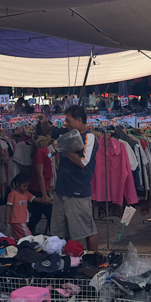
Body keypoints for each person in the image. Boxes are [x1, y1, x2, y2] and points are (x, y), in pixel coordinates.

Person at [52, 105, 99, 251]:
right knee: (60, 231)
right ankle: (66, 261)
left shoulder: (89, 137)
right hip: (61, 189)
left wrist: (62, 148)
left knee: (87, 230)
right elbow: (51, 153)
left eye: (68, 120)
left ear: (79, 120)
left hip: (78, 190)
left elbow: (82, 162)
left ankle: (93, 260)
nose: (66, 124)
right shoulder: (68, 135)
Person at [28, 115, 55, 234]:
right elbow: (39, 173)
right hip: (40, 187)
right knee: (50, 216)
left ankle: (27, 234)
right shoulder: (40, 149)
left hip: (44, 185)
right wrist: (44, 194)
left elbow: (47, 159)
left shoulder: (44, 148)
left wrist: (54, 152)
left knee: (37, 215)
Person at [5, 173, 35, 240]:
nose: (26, 188)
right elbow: (8, 207)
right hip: (18, 220)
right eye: (24, 186)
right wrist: (7, 218)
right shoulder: (12, 194)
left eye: (27, 186)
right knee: (29, 236)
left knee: (17, 237)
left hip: (21, 220)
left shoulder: (26, 193)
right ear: (18, 184)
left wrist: (44, 199)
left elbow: (34, 198)